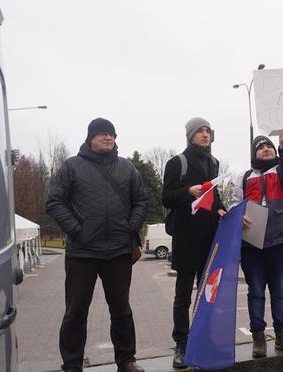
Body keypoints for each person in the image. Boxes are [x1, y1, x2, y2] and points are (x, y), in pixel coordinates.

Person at [46, 118, 148, 372]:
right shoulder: (72, 166)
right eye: (102, 134)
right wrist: (77, 230)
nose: (108, 138)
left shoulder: (127, 168)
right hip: (82, 251)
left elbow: (141, 201)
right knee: (76, 311)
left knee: (121, 309)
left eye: (111, 134)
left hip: (118, 251)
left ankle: (126, 360)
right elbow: (55, 202)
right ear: (90, 138)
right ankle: (72, 364)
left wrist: (129, 228)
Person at [162, 118, 226, 369]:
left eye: (208, 131)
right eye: (200, 131)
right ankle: (182, 343)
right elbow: (166, 197)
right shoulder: (177, 162)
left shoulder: (213, 162)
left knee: (207, 293)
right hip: (186, 239)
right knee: (183, 296)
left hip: (211, 238)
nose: (205, 134)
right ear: (190, 135)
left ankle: (205, 339)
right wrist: (188, 192)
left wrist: (220, 209)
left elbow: (215, 195)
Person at [233, 128, 283, 357]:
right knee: (256, 291)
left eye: (269, 146)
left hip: (281, 240)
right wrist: (237, 215)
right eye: (261, 147)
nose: (266, 149)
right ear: (254, 153)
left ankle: (282, 336)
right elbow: (235, 205)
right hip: (252, 242)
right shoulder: (243, 177)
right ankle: (258, 338)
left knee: (279, 290)